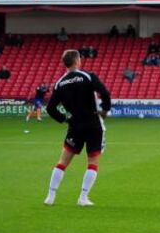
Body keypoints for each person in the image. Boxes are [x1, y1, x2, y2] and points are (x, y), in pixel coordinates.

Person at [43, 49, 112, 206]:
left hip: (75, 125)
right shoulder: (88, 76)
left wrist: (65, 119)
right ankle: (83, 198)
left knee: (62, 161)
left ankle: (50, 196)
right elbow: (105, 93)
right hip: (93, 123)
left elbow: (50, 108)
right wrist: (105, 110)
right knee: (93, 161)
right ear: (76, 61)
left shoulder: (60, 83)